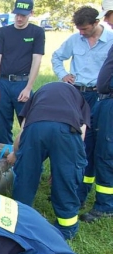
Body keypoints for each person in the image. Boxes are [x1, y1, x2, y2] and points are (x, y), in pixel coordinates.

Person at [7, 82, 90, 240]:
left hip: (35, 128)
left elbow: (23, 132)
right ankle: (66, 230)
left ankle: (19, 222)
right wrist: (63, 167)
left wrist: (16, 154)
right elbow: (81, 135)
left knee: (26, 175)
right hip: (68, 130)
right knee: (66, 180)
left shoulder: (37, 97)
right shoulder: (80, 100)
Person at [51, 6, 113, 209]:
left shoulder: (111, 39)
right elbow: (57, 57)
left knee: (101, 146)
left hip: (101, 96)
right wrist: (63, 75)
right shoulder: (74, 39)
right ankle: (77, 192)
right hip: (78, 94)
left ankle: (102, 200)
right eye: (79, 29)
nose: (81, 33)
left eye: (85, 29)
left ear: (96, 23)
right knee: (79, 143)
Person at [0, 0, 45, 144]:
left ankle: (25, 158)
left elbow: (36, 61)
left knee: (28, 125)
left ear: (31, 14)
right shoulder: (3, 32)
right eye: (17, 15)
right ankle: (3, 158)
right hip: (2, 83)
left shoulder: (37, 32)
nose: (19, 18)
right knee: (0, 125)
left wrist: (28, 88)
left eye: (23, 15)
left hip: (22, 83)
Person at [81, 42, 113, 222]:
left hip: (110, 104)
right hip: (102, 101)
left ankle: (105, 206)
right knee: (88, 150)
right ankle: (79, 195)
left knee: (106, 154)